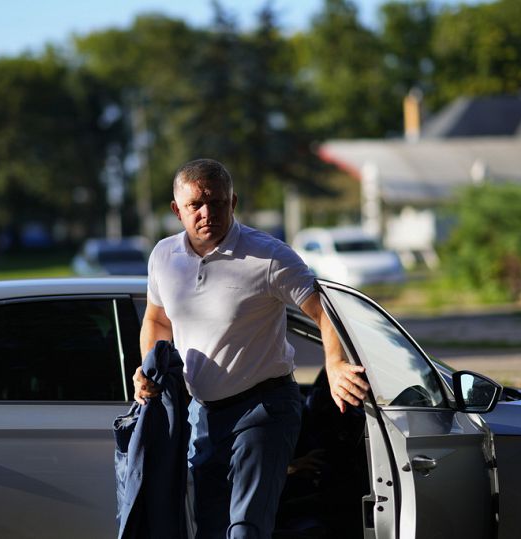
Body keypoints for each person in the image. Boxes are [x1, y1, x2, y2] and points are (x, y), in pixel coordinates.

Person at [134, 158, 369, 539]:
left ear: (234, 202)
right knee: (210, 527)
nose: (207, 212)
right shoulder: (163, 256)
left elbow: (324, 310)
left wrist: (336, 361)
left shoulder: (269, 256)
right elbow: (157, 320)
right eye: (196, 205)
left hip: (264, 409)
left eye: (218, 202)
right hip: (202, 414)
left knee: (245, 529)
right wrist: (148, 367)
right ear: (177, 210)